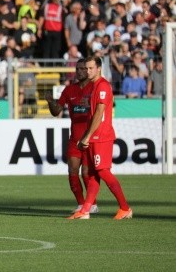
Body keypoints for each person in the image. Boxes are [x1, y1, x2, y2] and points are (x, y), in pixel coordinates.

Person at [70, 56, 133, 220]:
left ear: (99, 68)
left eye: (91, 68)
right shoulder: (94, 86)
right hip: (94, 137)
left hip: (101, 136)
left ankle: (125, 208)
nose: (87, 71)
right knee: (92, 175)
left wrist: (87, 135)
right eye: (86, 68)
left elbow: (99, 112)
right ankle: (85, 211)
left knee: (103, 171)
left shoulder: (103, 86)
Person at [45, 58, 98, 214]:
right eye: (78, 69)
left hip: (90, 137)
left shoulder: (94, 87)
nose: (81, 71)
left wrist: (89, 105)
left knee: (87, 173)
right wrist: (50, 102)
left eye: (84, 68)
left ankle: (91, 204)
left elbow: (105, 108)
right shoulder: (69, 90)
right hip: (75, 138)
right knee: (72, 170)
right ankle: (81, 204)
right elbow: (56, 112)